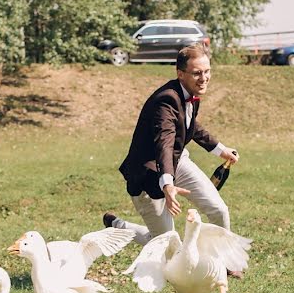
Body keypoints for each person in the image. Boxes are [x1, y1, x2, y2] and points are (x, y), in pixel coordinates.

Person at [104, 42, 242, 274]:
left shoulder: (189, 94)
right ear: (180, 74)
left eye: (207, 71)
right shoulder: (166, 100)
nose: (204, 78)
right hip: (148, 177)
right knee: (168, 245)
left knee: (219, 210)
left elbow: (190, 126)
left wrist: (221, 150)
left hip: (178, 162)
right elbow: (164, 143)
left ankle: (224, 263)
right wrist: (168, 184)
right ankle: (120, 227)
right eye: (197, 73)